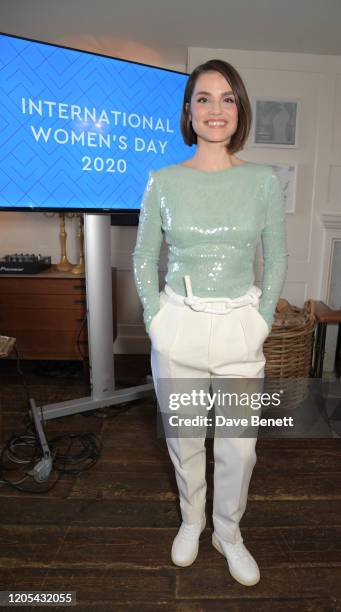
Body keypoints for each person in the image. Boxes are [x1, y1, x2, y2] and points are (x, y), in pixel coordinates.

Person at [133, 59, 288, 586]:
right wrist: (157, 321)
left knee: (239, 447)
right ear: (189, 110)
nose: (215, 109)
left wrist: (262, 321)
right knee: (184, 439)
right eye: (203, 98)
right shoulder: (163, 181)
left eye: (227, 98)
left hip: (241, 328)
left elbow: (278, 257)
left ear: (239, 109)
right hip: (179, 325)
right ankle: (193, 521)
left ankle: (228, 531)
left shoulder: (263, 181)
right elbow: (142, 257)